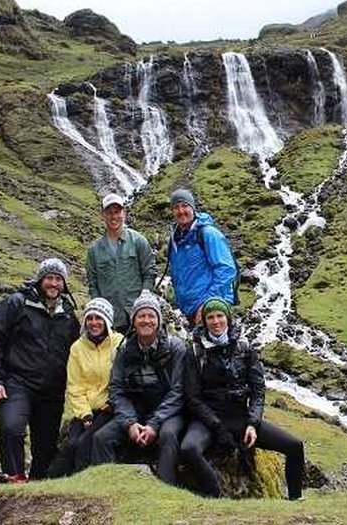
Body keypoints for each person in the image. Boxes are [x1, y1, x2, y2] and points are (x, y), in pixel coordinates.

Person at [181, 298, 304, 500]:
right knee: (189, 449)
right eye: (210, 317)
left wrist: (253, 424)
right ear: (204, 321)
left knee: (295, 446)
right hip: (208, 420)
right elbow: (192, 397)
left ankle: (296, 499)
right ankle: (217, 498)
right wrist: (217, 427)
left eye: (220, 316)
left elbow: (258, 390)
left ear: (228, 318)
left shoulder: (244, 348)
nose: (216, 321)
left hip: (240, 416)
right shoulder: (194, 351)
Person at [0, 258, 80, 483]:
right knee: (11, 429)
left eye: (58, 279)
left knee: (46, 444)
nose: (53, 283)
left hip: (52, 390)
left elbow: (76, 353)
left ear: (64, 283)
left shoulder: (68, 314)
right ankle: (14, 479)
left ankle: (37, 486)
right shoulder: (16, 304)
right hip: (17, 382)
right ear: (40, 280)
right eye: (49, 278)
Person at [90, 290, 186, 486]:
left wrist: (154, 424)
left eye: (151, 316)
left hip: (169, 411)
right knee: (101, 438)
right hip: (136, 408)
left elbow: (178, 390)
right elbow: (117, 389)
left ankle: (167, 491)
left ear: (159, 321)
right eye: (141, 316)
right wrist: (130, 423)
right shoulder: (124, 349)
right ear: (133, 321)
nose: (146, 320)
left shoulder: (175, 346)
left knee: (168, 435)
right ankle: (104, 491)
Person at [47, 298, 124, 478]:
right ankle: (52, 483)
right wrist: (85, 414)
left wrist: (113, 403)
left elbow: (124, 379)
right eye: (90, 318)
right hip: (86, 410)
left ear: (107, 320)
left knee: (85, 444)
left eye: (99, 318)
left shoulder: (119, 343)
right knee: (71, 445)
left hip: (110, 409)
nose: (94, 323)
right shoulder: (77, 348)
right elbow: (75, 386)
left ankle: (82, 484)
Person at [86, 193, 156, 333]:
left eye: (117, 212)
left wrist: (144, 296)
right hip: (110, 318)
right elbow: (93, 283)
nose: (113, 217)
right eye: (109, 213)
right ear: (102, 215)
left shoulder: (138, 241)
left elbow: (150, 272)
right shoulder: (94, 250)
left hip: (137, 315)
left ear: (124, 213)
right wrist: (99, 310)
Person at [168, 189, 237, 325]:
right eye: (176, 207)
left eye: (185, 206)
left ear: (193, 208)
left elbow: (226, 270)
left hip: (213, 308)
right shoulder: (175, 240)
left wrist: (208, 303)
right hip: (190, 310)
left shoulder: (208, 234)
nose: (181, 211)